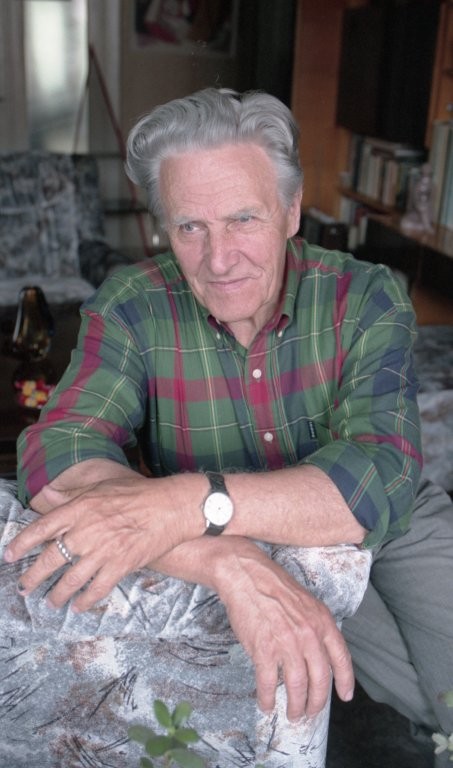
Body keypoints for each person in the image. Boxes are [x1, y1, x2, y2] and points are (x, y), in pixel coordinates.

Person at [3, 88, 453, 765]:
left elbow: (378, 478)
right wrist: (221, 556)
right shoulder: (132, 304)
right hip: (264, 540)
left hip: (394, 525)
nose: (219, 259)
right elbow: (55, 455)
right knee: (412, 707)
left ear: (291, 211)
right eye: (190, 227)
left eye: (243, 218)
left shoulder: (364, 293)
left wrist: (182, 505)